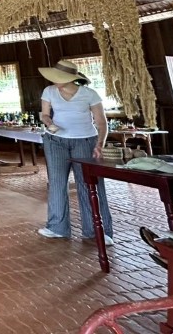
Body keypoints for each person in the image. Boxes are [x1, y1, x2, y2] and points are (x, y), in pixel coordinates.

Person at [37, 60, 114, 245]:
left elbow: (101, 123)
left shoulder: (89, 94)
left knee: (89, 184)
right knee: (57, 182)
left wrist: (99, 144)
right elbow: (45, 114)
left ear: (71, 78)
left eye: (59, 78)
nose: (55, 81)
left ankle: (98, 230)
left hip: (85, 140)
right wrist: (49, 124)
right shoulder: (49, 91)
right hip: (55, 141)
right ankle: (57, 227)